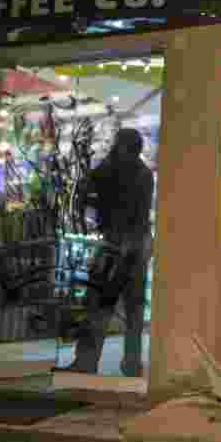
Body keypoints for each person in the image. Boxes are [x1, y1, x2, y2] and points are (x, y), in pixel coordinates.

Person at [68, 128, 155, 376]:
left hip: (121, 243)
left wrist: (94, 199)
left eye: (118, 145)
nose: (114, 149)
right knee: (132, 309)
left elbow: (91, 189)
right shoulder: (141, 173)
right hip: (135, 244)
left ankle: (87, 361)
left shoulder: (118, 170)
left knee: (100, 305)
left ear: (123, 147)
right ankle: (130, 363)